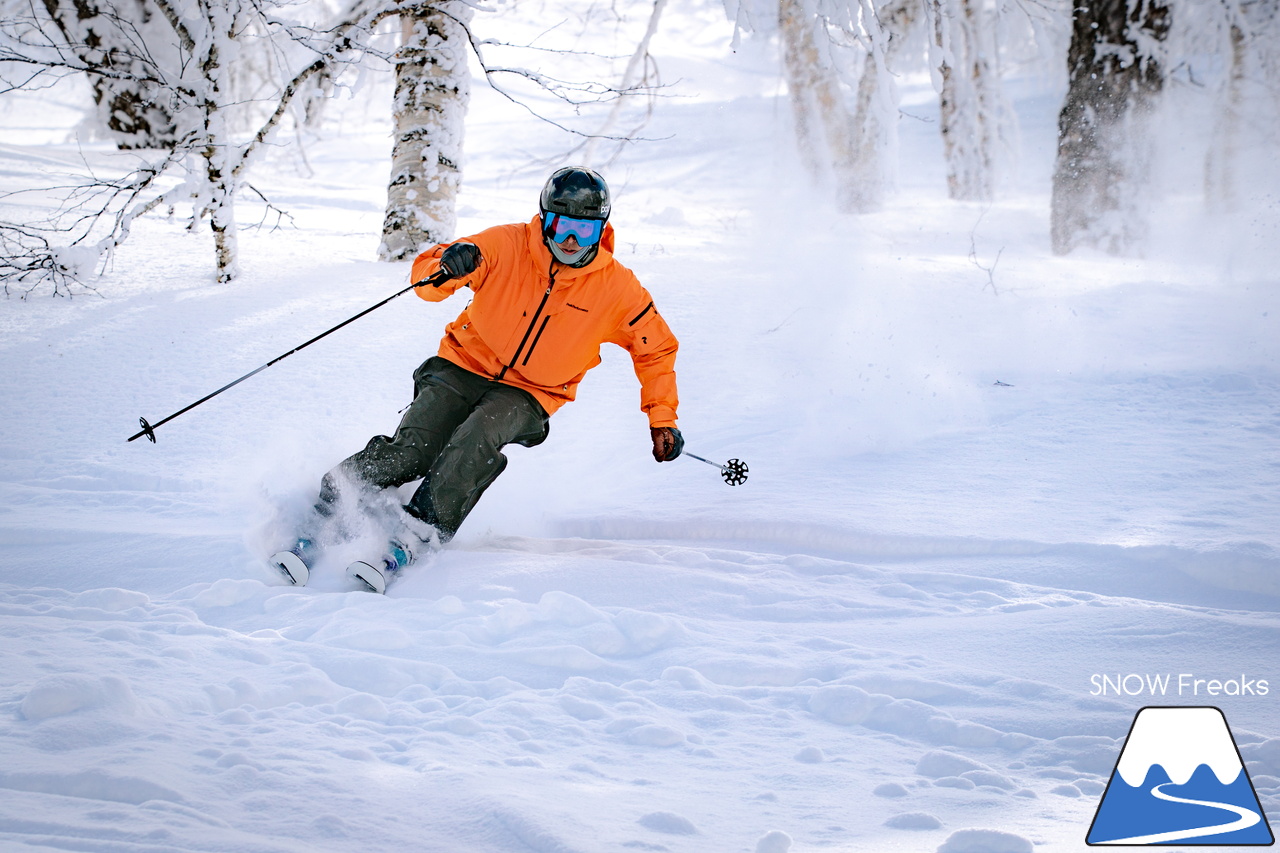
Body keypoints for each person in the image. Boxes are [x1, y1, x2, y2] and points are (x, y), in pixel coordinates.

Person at [271, 167, 683, 590]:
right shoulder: (506, 245)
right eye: (561, 227)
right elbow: (427, 284)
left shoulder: (617, 289)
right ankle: (327, 510)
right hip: (462, 364)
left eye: (583, 229)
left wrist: (662, 418)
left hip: (531, 392)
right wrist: (447, 265)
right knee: (415, 449)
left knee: (476, 436)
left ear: (602, 228)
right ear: (544, 220)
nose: (570, 241)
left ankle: (417, 532)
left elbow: (656, 349)